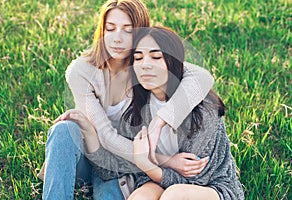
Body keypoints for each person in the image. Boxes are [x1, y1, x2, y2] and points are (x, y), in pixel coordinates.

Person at [38, 0, 213, 199]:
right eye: (110, 29)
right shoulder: (81, 71)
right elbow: (105, 136)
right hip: (93, 156)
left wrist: (161, 121)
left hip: (127, 168)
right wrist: (167, 160)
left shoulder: (144, 65)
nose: (117, 39)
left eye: (127, 31)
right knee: (63, 129)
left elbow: (202, 77)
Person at [119, 26, 244, 200]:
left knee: (174, 195)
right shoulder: (136, 104)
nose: (145, 65)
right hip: (153, 181)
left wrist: (147, 164)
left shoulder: (203, 109)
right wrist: (160, 162)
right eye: (138, 58)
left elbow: (197, 178)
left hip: (209, 185)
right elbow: (122, 156)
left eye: (156, 57)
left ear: (172, 62)